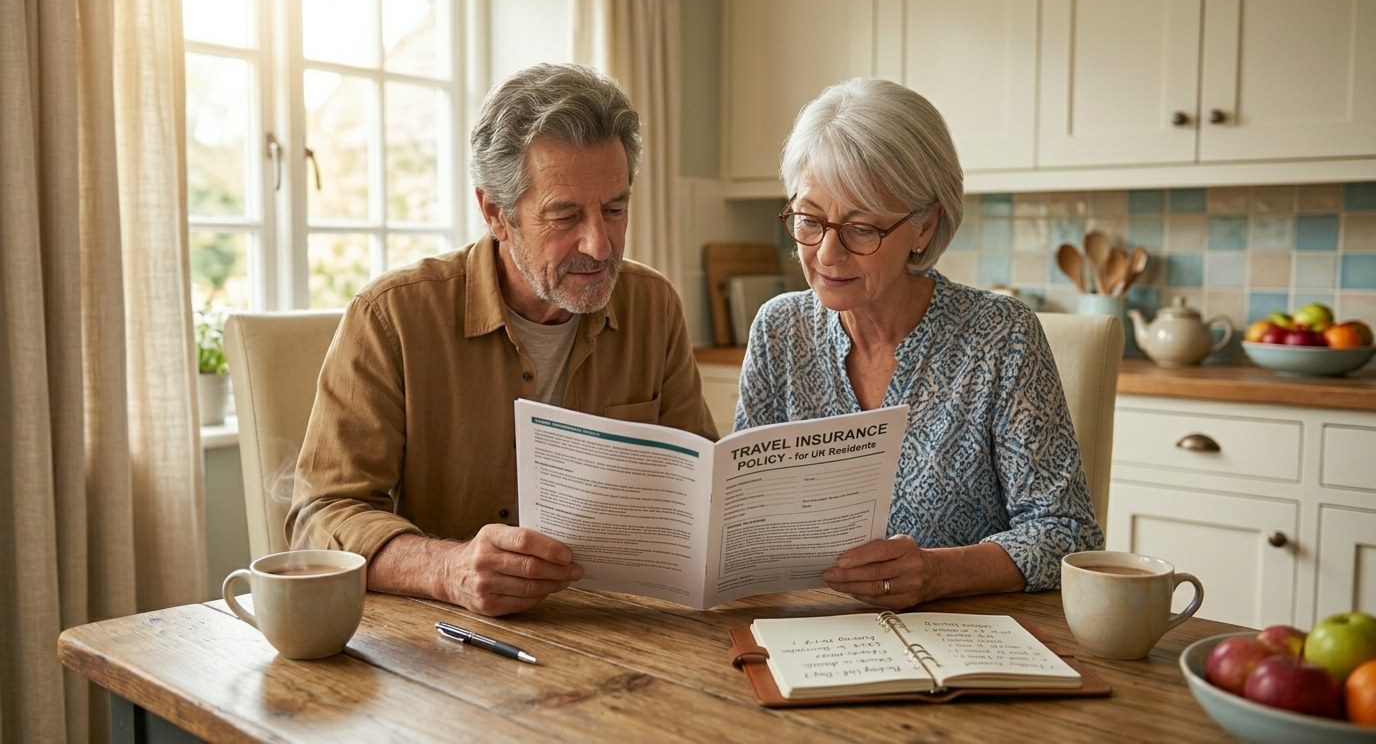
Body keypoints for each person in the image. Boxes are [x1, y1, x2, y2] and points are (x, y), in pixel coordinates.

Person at [288, 63, 716, 617]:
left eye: (615, 209)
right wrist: (448, 569)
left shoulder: (654, 307)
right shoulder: (392, 317)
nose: (600, 243)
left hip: (617, 627)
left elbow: (701, 488)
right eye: (564, 216)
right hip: (448, 640)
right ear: (495, 212)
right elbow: (320, 516)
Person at [735, 78, 1103, 609]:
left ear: (925, 226)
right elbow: (745, 512)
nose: (828, 254)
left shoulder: (1000, 337)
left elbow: (1068, 535)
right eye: (809, 221)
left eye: (862, 228)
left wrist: (937, 572)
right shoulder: (779, 330)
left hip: (965, 647)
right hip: (808, 635)